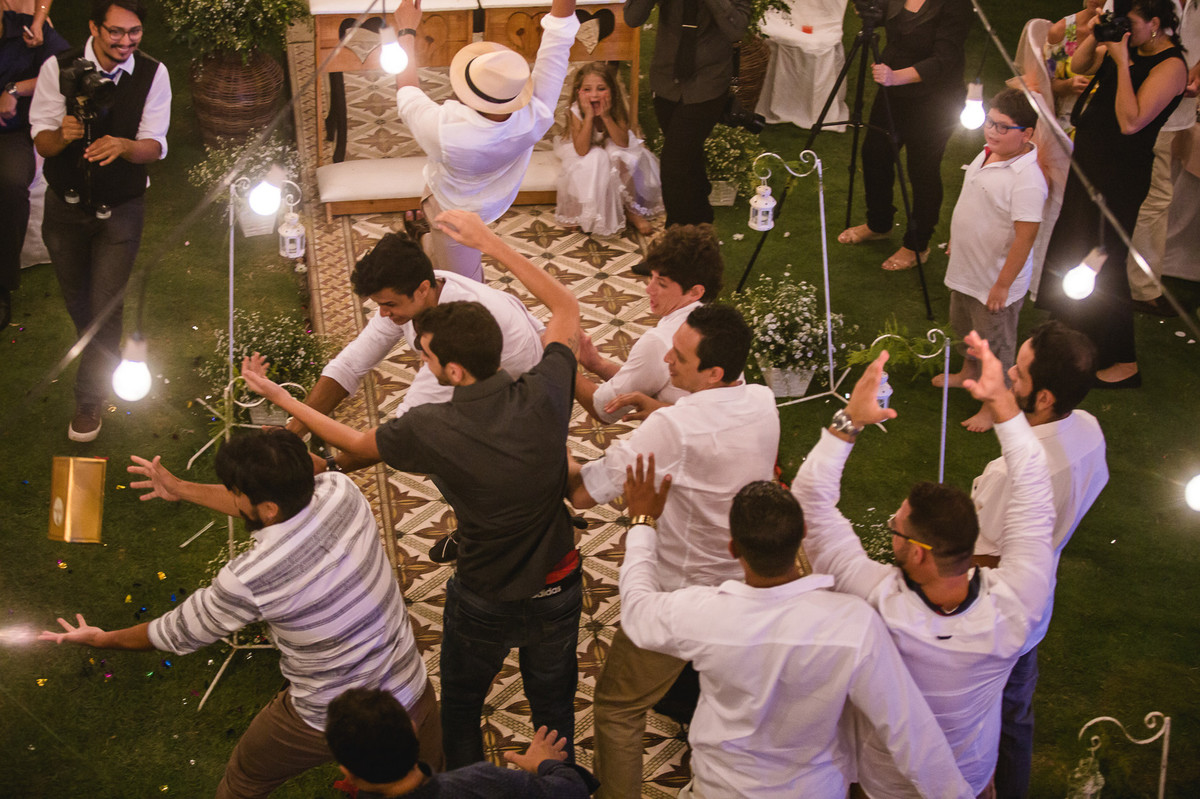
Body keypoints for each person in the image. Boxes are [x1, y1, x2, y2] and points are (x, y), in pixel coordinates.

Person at [240, 209, 584, 771]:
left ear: (450, 371)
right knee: (554, 708)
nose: (410, 354)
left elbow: (359, 440)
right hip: (559, 585)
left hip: (485, 591)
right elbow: (566, 308)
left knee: (463, 704)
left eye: (420, 355)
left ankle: (464, 785)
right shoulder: (548, 395)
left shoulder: (433, 429)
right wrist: (489, 241)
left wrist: (284, 403)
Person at [40, 429, 438, 798]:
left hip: (328, 715)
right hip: (412, 688)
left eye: (236, 493)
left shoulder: (251, 578)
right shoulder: (341, 489)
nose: (233, 498)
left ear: (265, 508)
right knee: (430, 783)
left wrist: (100, 638)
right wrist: (179, 487)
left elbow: (171, 634)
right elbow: (276, 503)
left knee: (245, 778)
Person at [790, 337, 1056, 797]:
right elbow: (1034, 485)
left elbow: (810, 502)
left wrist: (850, 419)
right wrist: (1004, 405)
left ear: (918, 552)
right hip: (972, 775)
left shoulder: (874, 602)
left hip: (883, 784)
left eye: (896, 525)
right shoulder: (1021, 606)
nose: (891, 527)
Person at [617, 462, 973, 798]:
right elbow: (909, 729)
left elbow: (636, 611)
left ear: (733, 548)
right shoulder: (853, 623)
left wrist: (643, 522)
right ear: (801, 535)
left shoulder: (701, 613)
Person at [566, 303, 780, 799]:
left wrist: (550, 452)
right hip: (743, 589)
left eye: (680, 357)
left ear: (714, 372)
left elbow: (584, 492)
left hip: (679, 599)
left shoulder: (674, 429)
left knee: (617, 708)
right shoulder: (763, 401)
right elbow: (707, 429)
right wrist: (665, 411)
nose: (666, 360)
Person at [972, 321, 1108, 799]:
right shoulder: (1090, 430)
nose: (1010, 373)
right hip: (1039, 604)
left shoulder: (1008, 473)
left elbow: (982, 556)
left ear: (1045, 397)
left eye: (1021, 374)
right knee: (1017, 721)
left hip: (994, 617)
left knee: (980, 726)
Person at [29, 0, 170, 441]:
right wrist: (63, 134)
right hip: (65, 211)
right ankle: (107, 370)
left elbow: (156, 145)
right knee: (82, 307)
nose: (125, 41)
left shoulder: (153, 73)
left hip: (121, 211)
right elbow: (42, 140)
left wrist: (125, 147)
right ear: (94, 27)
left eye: (134, 33)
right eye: (115, 32)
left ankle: (88, 401)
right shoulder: (59, 67)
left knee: (105, 306)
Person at [1035, 0, 1187, 388]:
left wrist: (1121, 61)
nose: (1125, 29)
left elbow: (1131, 121)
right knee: (1076, 241)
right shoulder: (1125, 43)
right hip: (1089, 161)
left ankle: (1123, 360)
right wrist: (1097, 32)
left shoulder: (1171, 67)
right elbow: (1083, 66)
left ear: (1155, 23)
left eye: (1130, 23)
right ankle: (1075, 335)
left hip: (1120, 174)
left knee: (1105, 258)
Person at [284, 231, 544, 450]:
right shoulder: (424, 286)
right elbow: (351, 364)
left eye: (389, 305)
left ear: (421, 290)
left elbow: (403, 430)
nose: (383, 314)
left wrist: (332, 468)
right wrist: (293, 431)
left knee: (432, 448)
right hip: (489, 386)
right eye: (379, 305)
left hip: (520, 404)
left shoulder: (455, 335)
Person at [390, 0, 578, 282]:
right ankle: (428, 240)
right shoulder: (537, 113)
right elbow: (559, 36)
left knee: (466, 289)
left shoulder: (445, 131)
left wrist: (405, 28)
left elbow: (407, 91)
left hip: (451, 209)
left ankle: (426, 240)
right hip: (499, 199)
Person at [937, 88, 1047, 433]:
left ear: (1026, 134)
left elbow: (1025, 237)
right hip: (967, 270)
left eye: (1003, 127)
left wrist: (1002, 284)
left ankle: (994, 405)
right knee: (965, 329)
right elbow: (973, 200)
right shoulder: (987, 153)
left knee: (995, 348)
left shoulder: (1028, 181)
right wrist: (957, 236)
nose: (992, 131)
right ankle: (968, 374)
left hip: (994, 282)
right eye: (990, 122)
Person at [837, 0, 973, 272]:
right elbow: (875, 14)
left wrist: (895, 77)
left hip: (935, 99)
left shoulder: (956, 5)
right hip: (893, 91)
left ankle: (916, 245)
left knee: (922, 169)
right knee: (875, 153)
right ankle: (879, 224)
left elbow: (944, 60)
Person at [325, 688, 599, 797]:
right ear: (413, 729)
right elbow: (571, 790)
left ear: (347, 772)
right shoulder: (481, 780)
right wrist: (546, 764)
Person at [574, 223, 723, 423]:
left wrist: (560, 364)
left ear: (695, 291)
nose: (648, 289)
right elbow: (643, 382)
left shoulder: (660, 342)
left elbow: (603, 409)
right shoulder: (718, 320)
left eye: (661, 283)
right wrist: (596, 363)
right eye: (651, 277)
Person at [624, 0, 751, 229]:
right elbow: (632, 18)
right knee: (688, 161)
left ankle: (674, 244)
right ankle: (701, 229)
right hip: (666, 81)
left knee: (674, 165)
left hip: (708, 84)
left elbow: (736, 29)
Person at [1125, 0, 1200, 317]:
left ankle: (1140, 283)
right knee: (1153, 197)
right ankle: (1141, 288)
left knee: (1156, 195)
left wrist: (1194, 72)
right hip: (1144, 111)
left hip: (1179, 114)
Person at [0, 0, 67, 330]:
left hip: (9, 134)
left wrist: (13, 90)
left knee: (11, 183)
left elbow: (67, 66)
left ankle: (2, 286)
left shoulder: (27, 28)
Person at [553, 61, 663, 237]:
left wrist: (605, 115)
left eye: (601, 88)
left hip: (616, 148)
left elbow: (622, 142)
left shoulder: (616, 107)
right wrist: (588, 116)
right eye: (587, 89)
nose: (594, 94)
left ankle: (630, 210)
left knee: (616, 153)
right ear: (578, 92)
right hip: (585, 150)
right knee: (595, 158)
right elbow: (581, 150)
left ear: (612, 90)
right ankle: (586, 212)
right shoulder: (576, 110)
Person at [1045, 0, 1106, 134]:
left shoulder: (1125, 33)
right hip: (1066, 127)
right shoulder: (1063, 31)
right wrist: (1069, 85)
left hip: (1107, 125)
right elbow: (1045, 84)